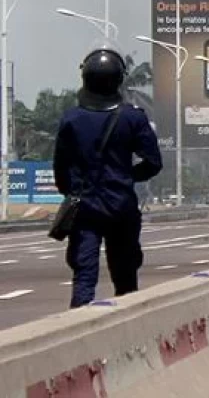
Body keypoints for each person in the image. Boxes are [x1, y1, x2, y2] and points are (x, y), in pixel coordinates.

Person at [54, 46, 163, 309]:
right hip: (121, 207)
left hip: (84, 209)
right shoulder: (133, 118)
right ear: (119, 80)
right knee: (126, 280)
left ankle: (78, 331)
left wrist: (75, 191)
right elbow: (153, 163)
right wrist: (126, 177)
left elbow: (61, 169)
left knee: (84, 276)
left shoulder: (72, 119)